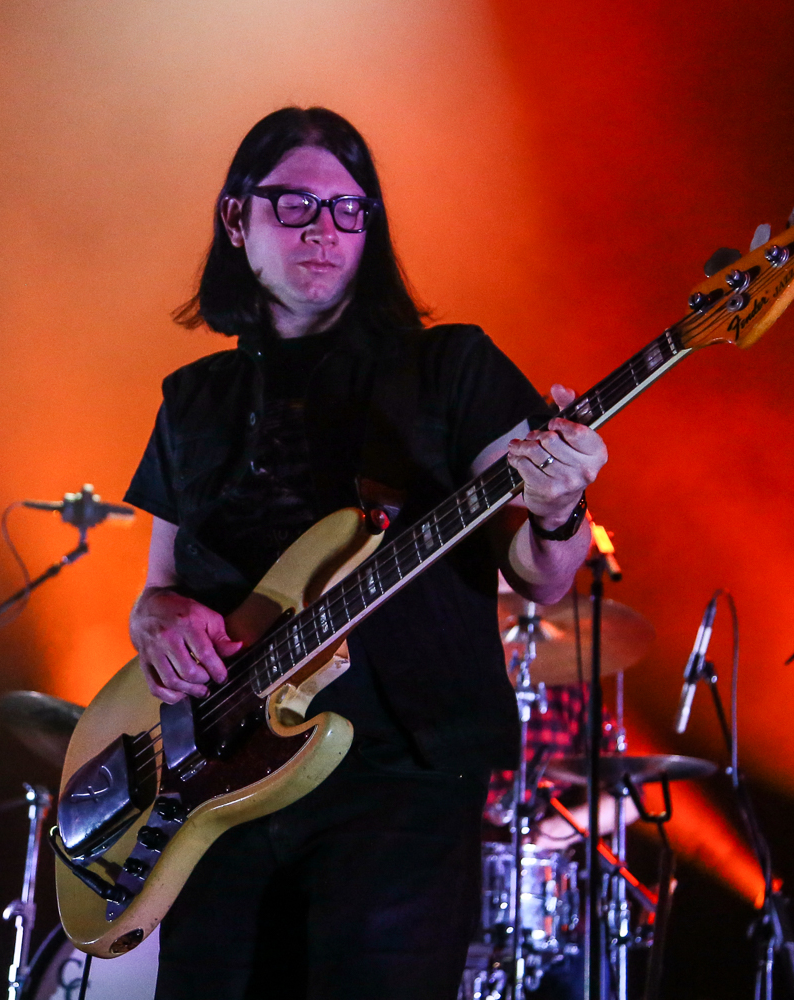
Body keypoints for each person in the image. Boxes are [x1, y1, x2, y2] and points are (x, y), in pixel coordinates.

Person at [122, 106, 609, 1000]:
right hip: (216, 789)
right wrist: (158, 620)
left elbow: (542, 577)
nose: (326, 231)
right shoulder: (192, 398)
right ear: (236, 219)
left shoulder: (450, 367)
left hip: (401, 778)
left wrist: (559, 508)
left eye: (350, 210)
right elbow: (156, 591)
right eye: (296, 205)